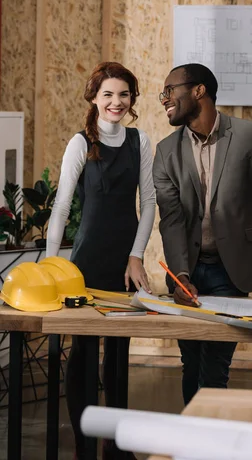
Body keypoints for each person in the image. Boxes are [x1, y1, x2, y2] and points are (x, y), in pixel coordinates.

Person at [153, 63, 252, 405]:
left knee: (214, 368)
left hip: (231, 270)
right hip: (187, 269)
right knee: (190, 364)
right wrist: (180, 276)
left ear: (198, 91)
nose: (164, 99)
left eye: (170, 91)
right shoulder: (165, 152)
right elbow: (172, 220)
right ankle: (191, 447)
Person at [46, 61, 156, 460]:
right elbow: (60, 208)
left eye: (124, 94)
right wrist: (50, 266)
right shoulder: (80, 143)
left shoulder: (139, 141)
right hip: (85, 263)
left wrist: (136, 257)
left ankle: (117, 443)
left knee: (119, 357)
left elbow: (150, 203)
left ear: (132, 100)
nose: (116, 101)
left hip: (123, 263)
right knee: (84, 355)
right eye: (108, 94)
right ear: (94, 97)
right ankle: (83, 443)